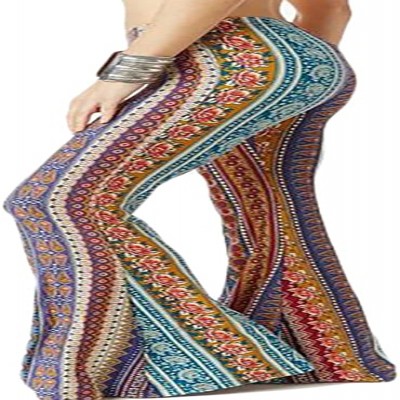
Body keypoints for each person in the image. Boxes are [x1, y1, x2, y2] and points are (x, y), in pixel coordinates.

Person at [2, 1, 395, 399]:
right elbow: (333, 8)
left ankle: (185, 361)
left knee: (57, 199)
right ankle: (325, 355)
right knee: (268, 210)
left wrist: (127, 72)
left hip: (228, 56)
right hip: (296, 58)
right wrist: (296, 68)